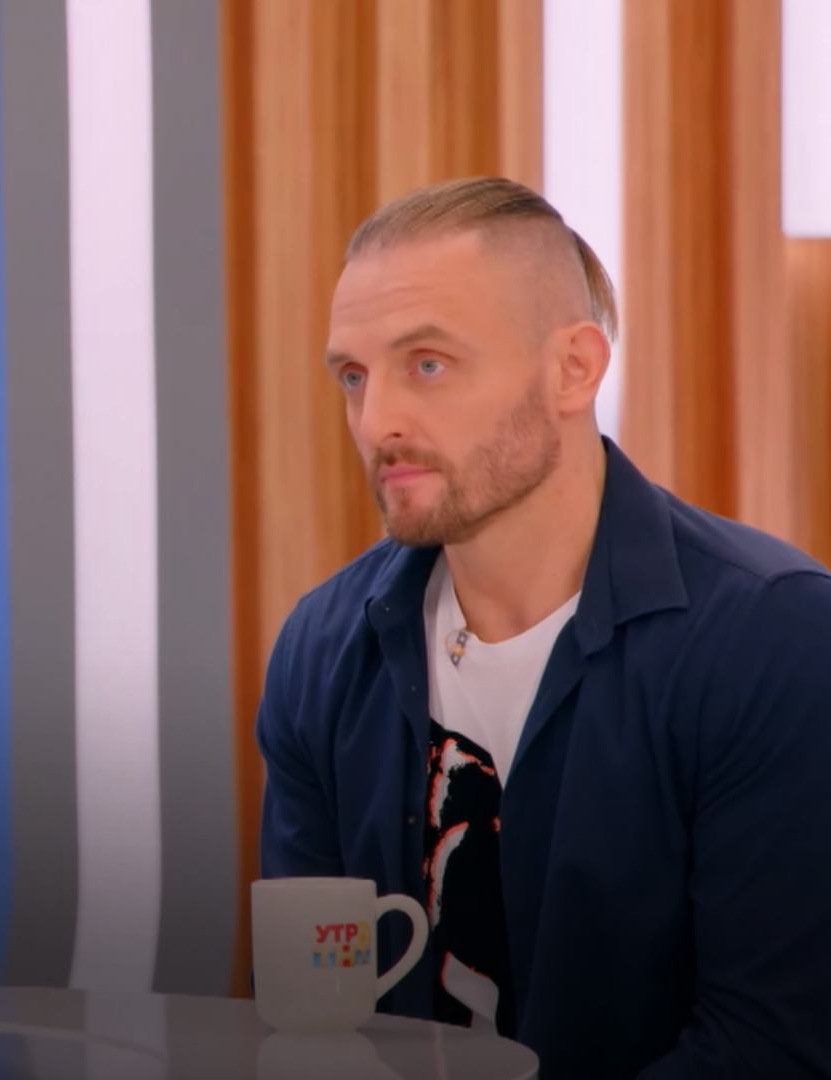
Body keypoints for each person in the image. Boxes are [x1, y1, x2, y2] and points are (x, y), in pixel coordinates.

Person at [256, 176, 831, 1078]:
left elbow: (770, 1048)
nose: (377, 422)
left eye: (427, 364)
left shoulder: (773, 640)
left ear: (573, 369)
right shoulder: (323, 650)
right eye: (354, 377)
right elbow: (308, 1016)